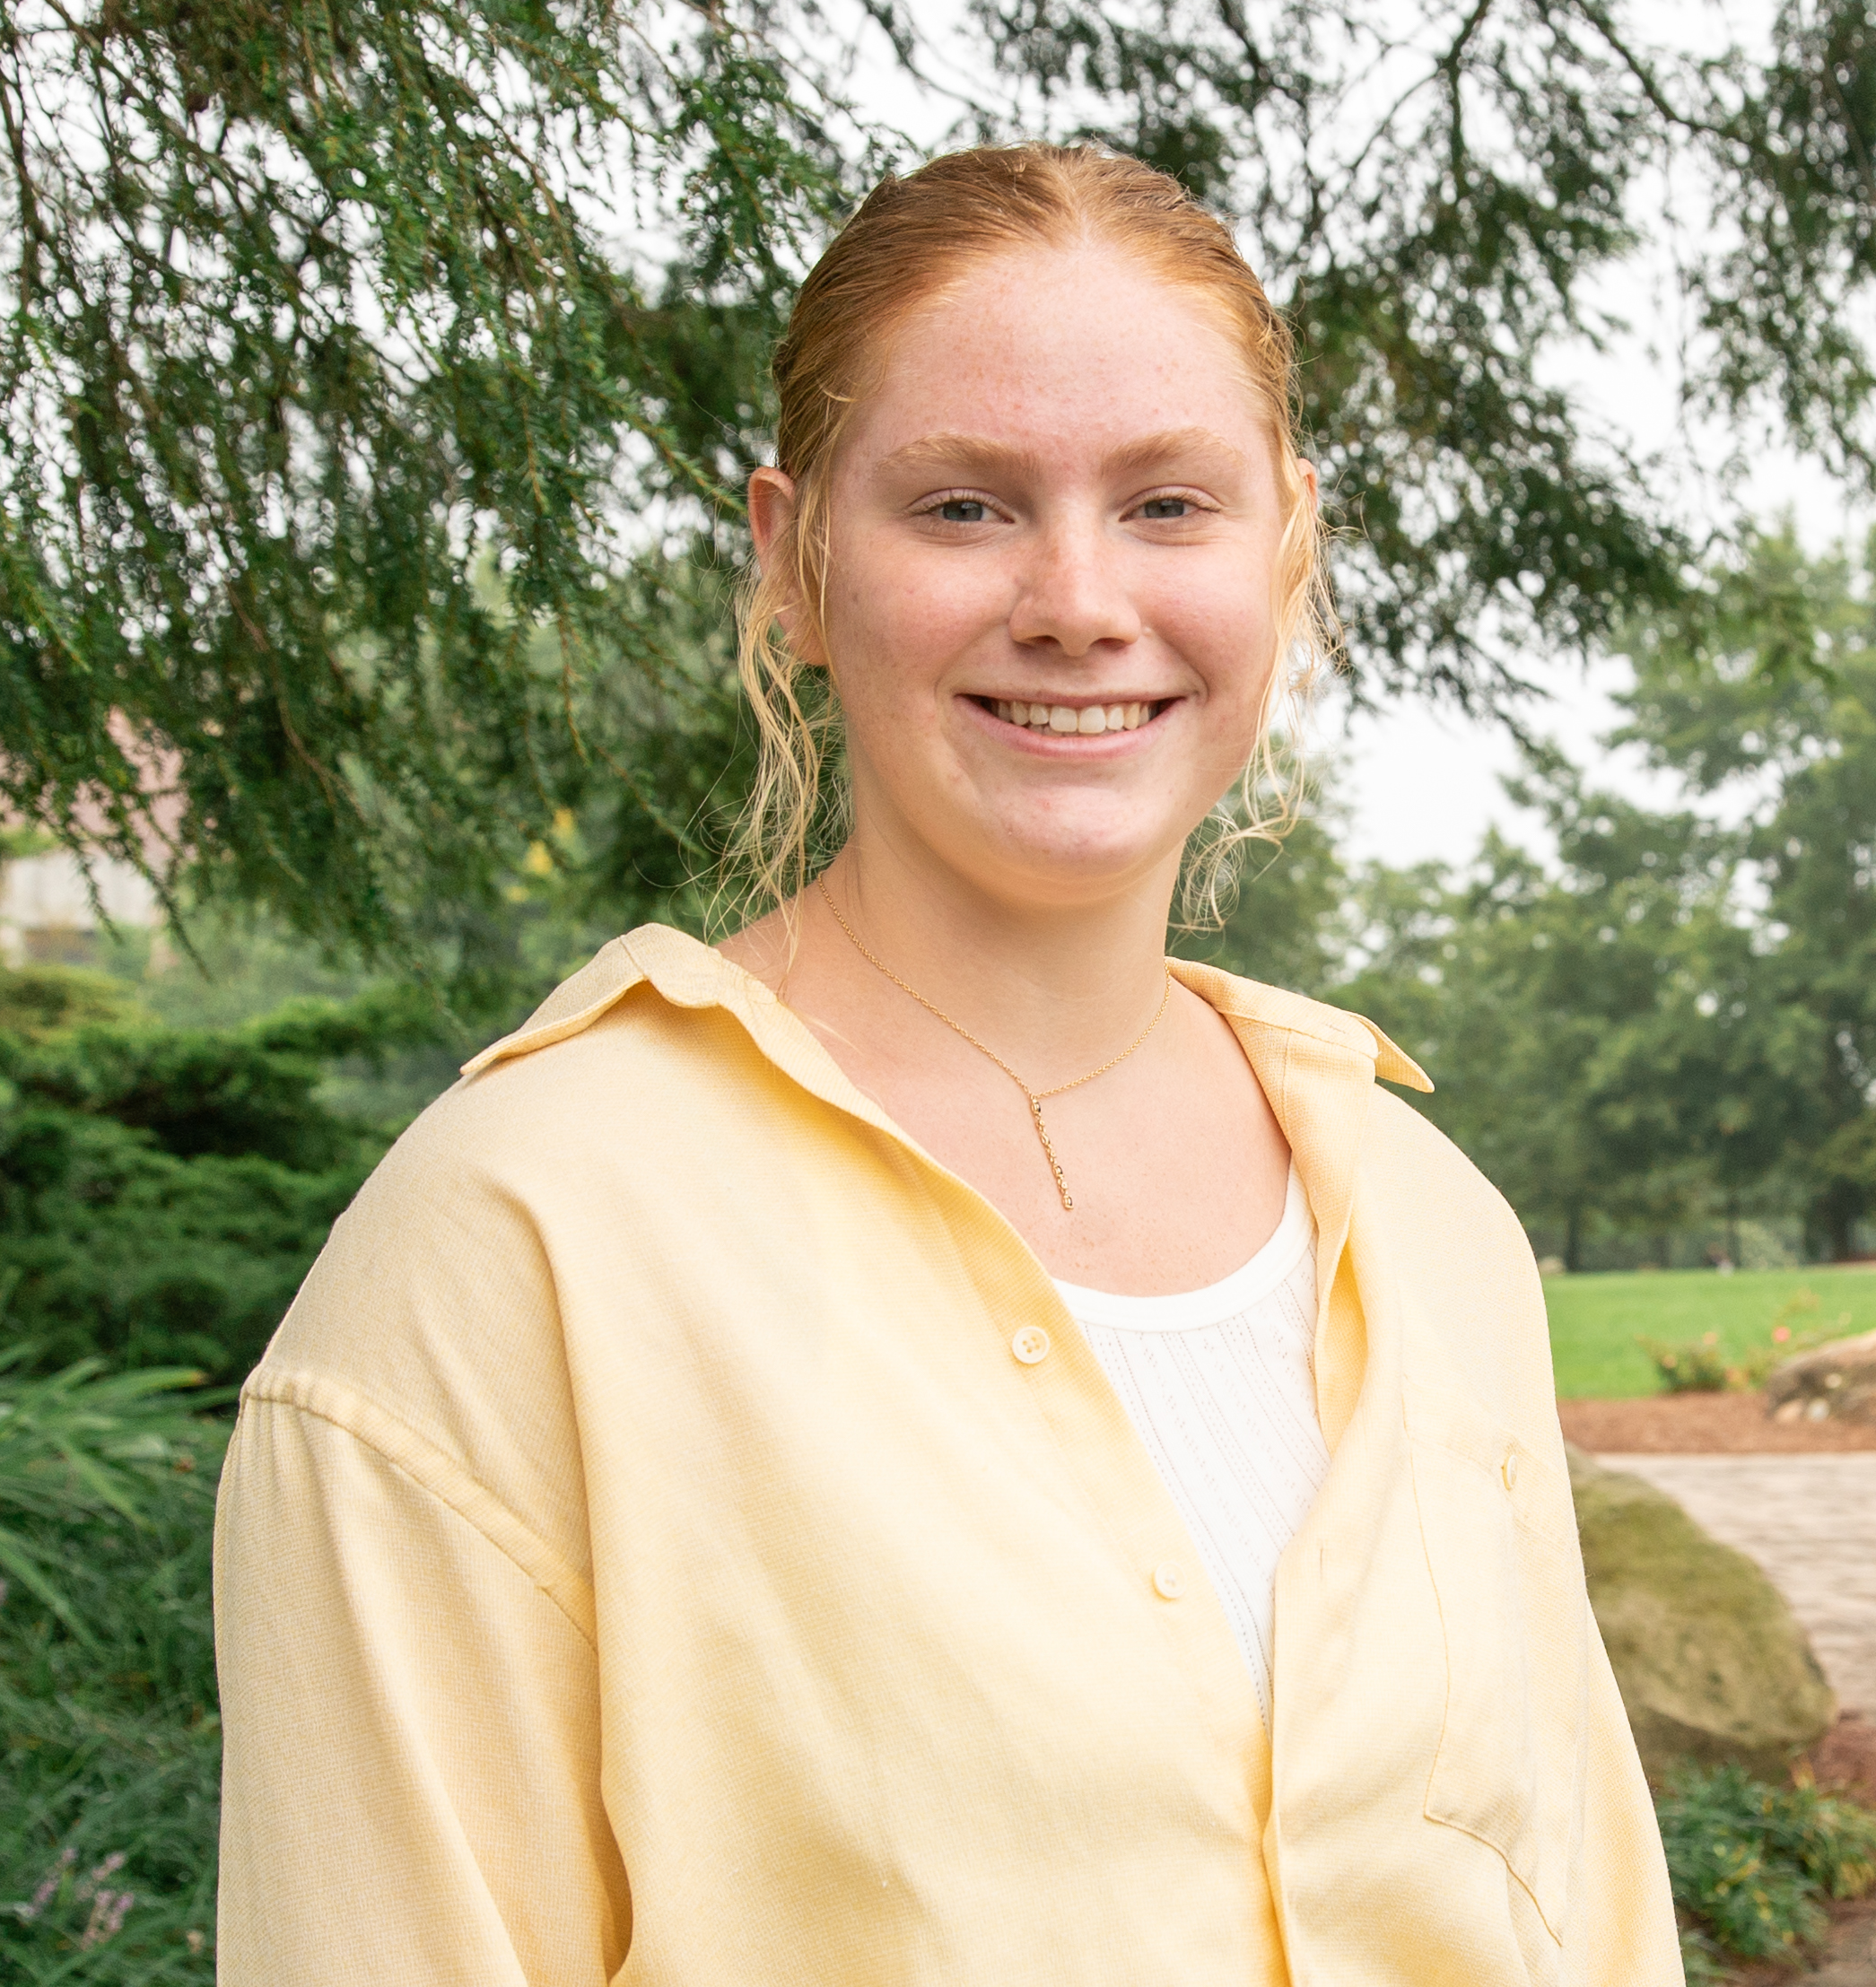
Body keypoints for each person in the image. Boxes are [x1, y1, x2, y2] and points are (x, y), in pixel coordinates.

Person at [212, 144, 1681, 1983]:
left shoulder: (1428, 1221)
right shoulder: (518, 1245)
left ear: (1284, 555)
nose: (1076, 597)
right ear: (795, 563)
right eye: (965, 507)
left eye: (1165, 504)